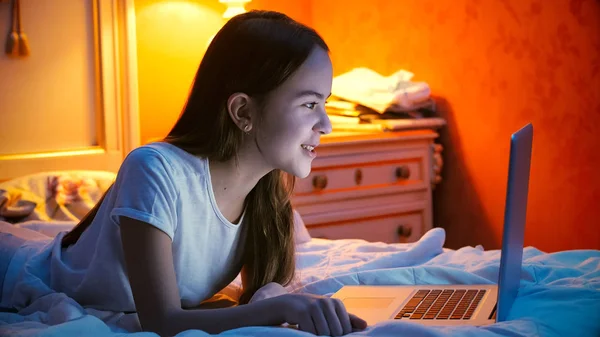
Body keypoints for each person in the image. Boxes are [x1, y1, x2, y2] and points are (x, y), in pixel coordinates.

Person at [1, 10, 367, 337]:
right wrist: (277, 307)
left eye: (325, 104)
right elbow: (162, 322)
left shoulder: (265, 192)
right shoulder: (155, 169)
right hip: (16, 271)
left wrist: (273, 296)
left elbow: (258, 293)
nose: (328, 124)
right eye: (309, 104)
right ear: (243, 112)